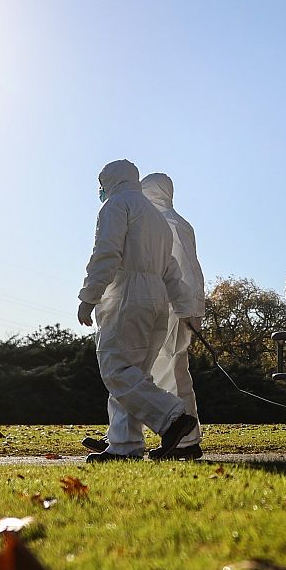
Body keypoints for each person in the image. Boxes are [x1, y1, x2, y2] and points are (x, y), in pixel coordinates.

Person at [77, 159, 199, 463]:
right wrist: (185, 308)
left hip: (128, 295)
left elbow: (106, 252)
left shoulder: (117, 206)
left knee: (117, 370)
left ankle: (172, 418)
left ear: (109, 181)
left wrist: (88, 296)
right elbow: (172, 269)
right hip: (158, 298)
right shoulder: (155, 217)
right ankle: (124, 444)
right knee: (134, 374)